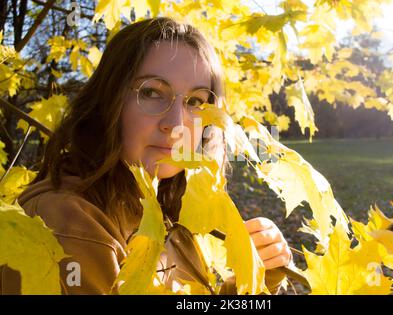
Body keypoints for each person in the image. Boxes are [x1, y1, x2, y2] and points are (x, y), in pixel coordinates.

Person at [0, 17, 292, 295]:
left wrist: (260, 276)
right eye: (152, 92)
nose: (177, 124)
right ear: (109, 101)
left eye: (195, 101)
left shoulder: (166, 211)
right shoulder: (70, 221)